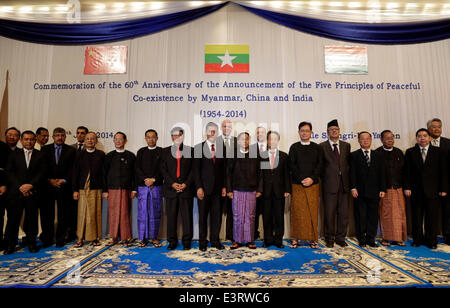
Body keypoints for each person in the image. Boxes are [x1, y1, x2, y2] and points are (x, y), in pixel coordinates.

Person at [404, 128, 448, 249]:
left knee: (432, 217)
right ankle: (417, 240)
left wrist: (444, 188)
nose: (422, 138)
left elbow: (443, 171)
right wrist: (407, 187)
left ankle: (431, 241)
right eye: (419, 136)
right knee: (416, 217)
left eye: (424, 136)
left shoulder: (439, 152)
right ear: (416, 138)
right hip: (415, 191)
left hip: (433, 191)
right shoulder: (410, 152)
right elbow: (407, 172)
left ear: (429, 138)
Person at [4, 131, 46, 254]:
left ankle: (32, 243)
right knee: (13, 220)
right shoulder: (13, 154)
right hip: (16, 193)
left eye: (32, 139)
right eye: (26, 139)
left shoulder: (41, 155)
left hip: (33, 192)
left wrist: (30, 185)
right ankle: (11, 245)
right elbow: (9, 172)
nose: (29, 142)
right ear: (21, 140)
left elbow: (42, 173)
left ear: (35, 140)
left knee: (32, 219)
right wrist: (21, 187)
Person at [40, 127, 76, 247]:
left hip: (64, 187)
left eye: (62, 135)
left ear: (65, 137)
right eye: (57, 135)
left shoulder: (71, 150)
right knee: (47, 215)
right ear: (53, 137)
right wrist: (49, 180)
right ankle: (47, 239)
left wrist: (64, 180)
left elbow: (73, 169)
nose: (60, 137)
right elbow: (42, 168)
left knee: (63, 215)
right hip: (47, 187)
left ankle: (60, 239)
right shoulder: (44, 149)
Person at [289, 122, 323, 249]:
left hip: (313, 185)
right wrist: (302, 179)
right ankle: (296, 238)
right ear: (299, 132)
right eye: (302, 130)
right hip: (297, 185)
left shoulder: (317, 147)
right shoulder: (294, 147)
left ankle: (313, 238)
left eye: (307, 131)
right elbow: (292, 165)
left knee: (312, 212)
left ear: (311, 133)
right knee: (297, 212)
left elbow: (320, 165)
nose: (304, 133)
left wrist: (312, 179)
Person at [227, 132, 263, 250]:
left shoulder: (255, 154)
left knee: (250, 216)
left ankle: (249, 240)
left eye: (247, 139)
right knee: (237, 216)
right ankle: (237, 240)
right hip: (237, 190)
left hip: (252, 190)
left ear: (249, 141)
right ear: (238, 141)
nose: (245, 141)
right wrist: (229, 189)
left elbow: (260, 173)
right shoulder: (233, 155)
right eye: (242, 139)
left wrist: (259, 189)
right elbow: (228, 173)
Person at [194, 122, 227, 251]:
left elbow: (224, 169)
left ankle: (215, 241)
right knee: (202, 217)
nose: (213, 133)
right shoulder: (198, 148)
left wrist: (224, 186)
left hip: (218, 190)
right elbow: (196, 170)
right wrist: (198, 187)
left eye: (215, 131)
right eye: (210, 131)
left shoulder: (221, 148)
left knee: (216, 217)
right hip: (203, 189)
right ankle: (203, 242)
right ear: (206, 132)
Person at [350, 131, 386, 248]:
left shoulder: (378, 155)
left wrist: (382, 189)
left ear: (371, 140)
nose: (365, 141)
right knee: (360, 215)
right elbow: (352, 173)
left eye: (367, 139)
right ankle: (361, 239)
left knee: (373, 216)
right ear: (359, 141)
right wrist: (353, 187)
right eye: (362, 139)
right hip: (359, 191)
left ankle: (371, 238)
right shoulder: (354, 155)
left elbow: (382, 173)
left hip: (375, 191)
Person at [161, 127, 194, 250]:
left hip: (186, 189)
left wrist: (186, 184)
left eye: (179, 135)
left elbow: (193, 170)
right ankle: (172, 242)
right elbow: (163, 170)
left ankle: (186, 242)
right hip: (171, 190)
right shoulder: (164, 151)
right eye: (174, 135)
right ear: (171, 137)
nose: (177, 137)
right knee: (171, 217)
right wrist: (172, 183)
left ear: (183, 136)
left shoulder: (191, 151)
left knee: (187, 218)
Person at [319, 119, 351, 248]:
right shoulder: (322, 146)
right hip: (329, 185)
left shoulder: (346, 145)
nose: (334, 131)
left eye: (336, 129)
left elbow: (348, 165)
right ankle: (329, 238)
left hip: (344, 185)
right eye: (331, 130)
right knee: (329, 213)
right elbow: (320, 166)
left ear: (339, 131)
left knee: (343, 214)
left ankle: (340, 237)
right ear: (327, 132)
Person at [103, 132, 136, 247]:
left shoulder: (131, 156)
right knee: (113, 213)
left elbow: (134, 174)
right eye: (115, 139)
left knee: (125, 213)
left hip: (126, 189)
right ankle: (113, 237)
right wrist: (105, 190)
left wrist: (134, 189)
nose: (117, 141)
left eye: (120, 139)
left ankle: (125, 238)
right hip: (112, 189)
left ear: (125, 141)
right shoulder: (109, 156)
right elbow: (104, 174)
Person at [72, 132, 105, 248]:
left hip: (96, 189)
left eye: (92, 139)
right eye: (88, 139)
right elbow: (75, 173)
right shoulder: (79, 155)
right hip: (82, 189)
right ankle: (80, 238)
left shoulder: (101, 154)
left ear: (96, 141)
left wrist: (104, 190)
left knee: (95, 213)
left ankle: (95, 238)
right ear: (84, 141)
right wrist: (75, 190)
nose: (90, 141)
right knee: (82, 214)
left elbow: (104, 174)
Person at [375, 130, 407, 246]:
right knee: (386, 214)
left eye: (391, 138)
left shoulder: (399, 152)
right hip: (384, 189)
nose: (390, 140)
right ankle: (386, 238)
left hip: (398, 187)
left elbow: (405, 172)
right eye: (387, 138)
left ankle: (398, 238)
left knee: (399, 214)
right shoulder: (377, 153)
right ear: (382, 140)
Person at [261, 131, 290, 248]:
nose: (272, 141)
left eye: (274, 139)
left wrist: (287, 189)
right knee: (266, 216)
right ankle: (267, 240)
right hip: (265, 191)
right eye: (269, 139)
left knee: (279, 216)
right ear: (267, 141)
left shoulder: (284, 156)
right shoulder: (262, 155)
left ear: (277, 141)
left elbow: (286, 174)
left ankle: (278, 240)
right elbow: (260, 174)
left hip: (279, 191)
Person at [135, 129, 164, 248]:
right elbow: (137, 168)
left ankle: (154, 237)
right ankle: (142, 238)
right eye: (148, 137)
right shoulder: (141, 151)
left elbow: (164, 169)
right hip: (143, 186)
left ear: (157, 138)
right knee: (142, 213)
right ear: (145, 139)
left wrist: (154, 180)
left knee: (155, 212)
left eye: (153, 137)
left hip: (156, 186)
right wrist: (145, 180)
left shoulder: (162, 152)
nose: (150, 139)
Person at [427, 118, 450, 245]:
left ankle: (447, 235)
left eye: (439, 127)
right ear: (429, 129)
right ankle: (432, 236)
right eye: (434, 127)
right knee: (432, 213)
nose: (437, 129)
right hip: (430, 186)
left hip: (446, 184)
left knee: (447, 211)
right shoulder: (423, 142)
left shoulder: (448, 143)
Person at [216, 119, 237, 242]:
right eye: (224, 126)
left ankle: (231, 236)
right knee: (217, 211)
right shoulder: (215, 141)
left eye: (228, 126)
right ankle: (216, 237)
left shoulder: (237, 142)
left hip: (233, 183)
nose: (226, 128)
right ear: (221, 127)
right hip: (217, 183)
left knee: (232, 211)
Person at [250, 126, 267, 240]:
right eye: (257, 133)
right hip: (254, 186)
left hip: (269, 186)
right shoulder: (250, 149)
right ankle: (254, 234)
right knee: (253, 213)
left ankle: (268, 236)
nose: (259, 135)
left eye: (262, 133)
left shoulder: (271, 147)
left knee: (267, 213)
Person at [0, 140, 10, 250]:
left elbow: (7, 170)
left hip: (3, 187)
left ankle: (4, 241)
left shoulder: (3, 147)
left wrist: (3, 184)